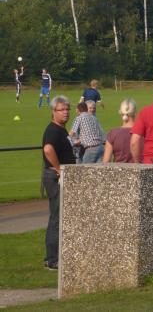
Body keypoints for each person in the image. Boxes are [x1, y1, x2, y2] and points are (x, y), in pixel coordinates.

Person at [42, 95, 76, 270]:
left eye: (68, 109)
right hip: (55, 178)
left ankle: (54, 256)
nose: (66, 113)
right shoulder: (53, 130)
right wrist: (59, 168)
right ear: (53, 112)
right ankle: (52, 259)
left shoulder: (61, 130)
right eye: (61, 110)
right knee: (56, 217)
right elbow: (48, 149)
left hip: (58, 176)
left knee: (59, 216)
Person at [103, 98, 138, 163]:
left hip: (119, 172)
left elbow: (106, 161)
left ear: (121, 113)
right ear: (135, 113)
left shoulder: (112, 133)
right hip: (138, 171)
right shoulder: (142, 132)